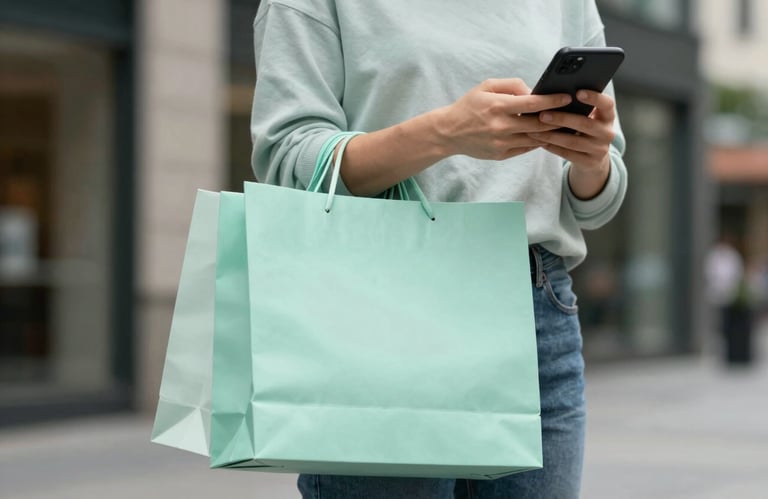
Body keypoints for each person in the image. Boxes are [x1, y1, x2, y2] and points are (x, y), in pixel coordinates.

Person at [250, 1, 627, 497]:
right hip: (383, 311)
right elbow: (287, 157)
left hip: (536, 308)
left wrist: (591, 158)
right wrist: (445, 132)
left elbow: (597, 201)